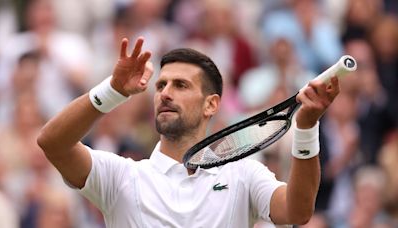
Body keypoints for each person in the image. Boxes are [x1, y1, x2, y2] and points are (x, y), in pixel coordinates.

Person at [37, 37, 340, 227]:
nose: (165, 93)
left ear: (212, 105)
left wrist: (306, 127)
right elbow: (52, 143)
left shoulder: (244, 175)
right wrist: (112, 91)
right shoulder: (121, 177)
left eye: (180, 85)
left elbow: (298, 212)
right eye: (160, 85)